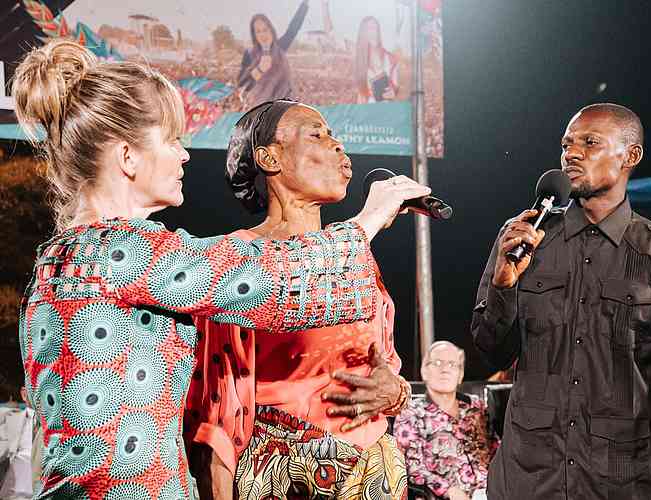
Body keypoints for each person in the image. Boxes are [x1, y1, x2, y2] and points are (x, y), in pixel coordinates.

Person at [12, 39, 430, 498]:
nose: (185, 154)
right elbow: (271, 282)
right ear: (127, 157)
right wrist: (368, 220)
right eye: (171, 140)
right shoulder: (116, 251)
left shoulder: (63, 258)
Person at [184, 99, 411, 500]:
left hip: (373, 473)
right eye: (316, 135)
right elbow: (217, 413)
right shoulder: (238, 262)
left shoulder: (358, 257)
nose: (337, 144)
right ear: (269, 158)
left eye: (334, 135)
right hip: (285, 477)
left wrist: (394, 393)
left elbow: (386, 364)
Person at [471, 103, 651, 500]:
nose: (571, 154)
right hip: (528, 477)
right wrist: (503, 285)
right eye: (567, 144)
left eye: (590, 142)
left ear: (630, 156)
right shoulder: (523, 238)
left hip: (622, 480)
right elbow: (491, 352)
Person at [394, 341, 498, 500]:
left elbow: (497, 450)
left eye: (452, 364)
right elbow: (410, 467)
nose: (445, 369)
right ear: (424, 371)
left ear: (460, 374)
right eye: (437, 363)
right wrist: (449, 490)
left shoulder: (476, 408)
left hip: (492, 492)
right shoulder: (411, 412)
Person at [237, 0, 309, 108]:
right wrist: (260, 69)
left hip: (285, 106)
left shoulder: (280, 47)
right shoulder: (249, 54)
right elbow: (242, 83)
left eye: (265, 29)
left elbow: (294, 28)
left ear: (271, 30)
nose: (263, 34)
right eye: (258, 31)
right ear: (254, 35)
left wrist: (305, 3)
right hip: (262, 108)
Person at [354, 16, 399, 103]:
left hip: (386, 107)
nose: (374, 32)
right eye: (370, 28)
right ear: (364, 33)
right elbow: (360, 94)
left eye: (375, 28)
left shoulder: (390, 58)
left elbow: (396, 86)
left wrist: (393, 92)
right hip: (367, 108)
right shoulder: (360, 60)